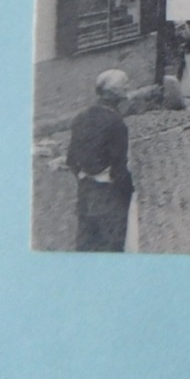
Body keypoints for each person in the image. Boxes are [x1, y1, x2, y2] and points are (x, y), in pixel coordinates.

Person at [66, 69, 135, 252]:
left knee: (85, 244)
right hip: (109, 196)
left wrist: (84, 177)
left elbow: (71, 159)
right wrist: (126, 190)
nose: (128, 87)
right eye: (125, 84)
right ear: (115, 93)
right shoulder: (116, 123)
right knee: (111, 246)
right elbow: (119, 168)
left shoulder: (81, 117)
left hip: (85, 193)